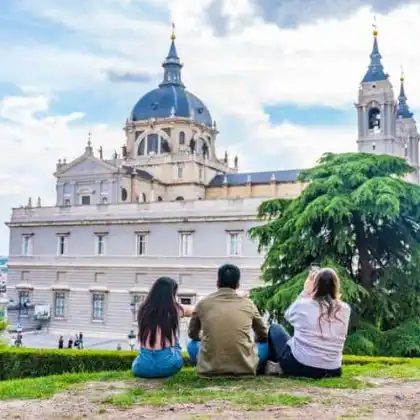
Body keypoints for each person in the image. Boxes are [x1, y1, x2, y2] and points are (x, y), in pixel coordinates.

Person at [267, 267, 351, 379]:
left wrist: (306, 291)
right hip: (333, 369)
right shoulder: (345, 309)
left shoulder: (303, 305)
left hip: (301, 365)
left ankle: (278, 366)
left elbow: (288, 315)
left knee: (275, 328)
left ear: (316, 285)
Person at [187, 264, 268, 377]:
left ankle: (207, 365)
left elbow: (192, 333)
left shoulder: (203, 304)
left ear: (217, 282)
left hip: (209, 369)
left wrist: (207, 336)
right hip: (245, 368)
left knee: (191, 344)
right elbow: (263, 333)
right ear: (238, 284)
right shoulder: (248, 304)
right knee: (265, 345)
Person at [131, 277, 193, 378]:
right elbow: (192, 310)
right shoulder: (174, 310)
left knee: (142, 356)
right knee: (176, 343)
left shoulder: (143, 309)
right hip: (168, 366)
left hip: (142, 369)